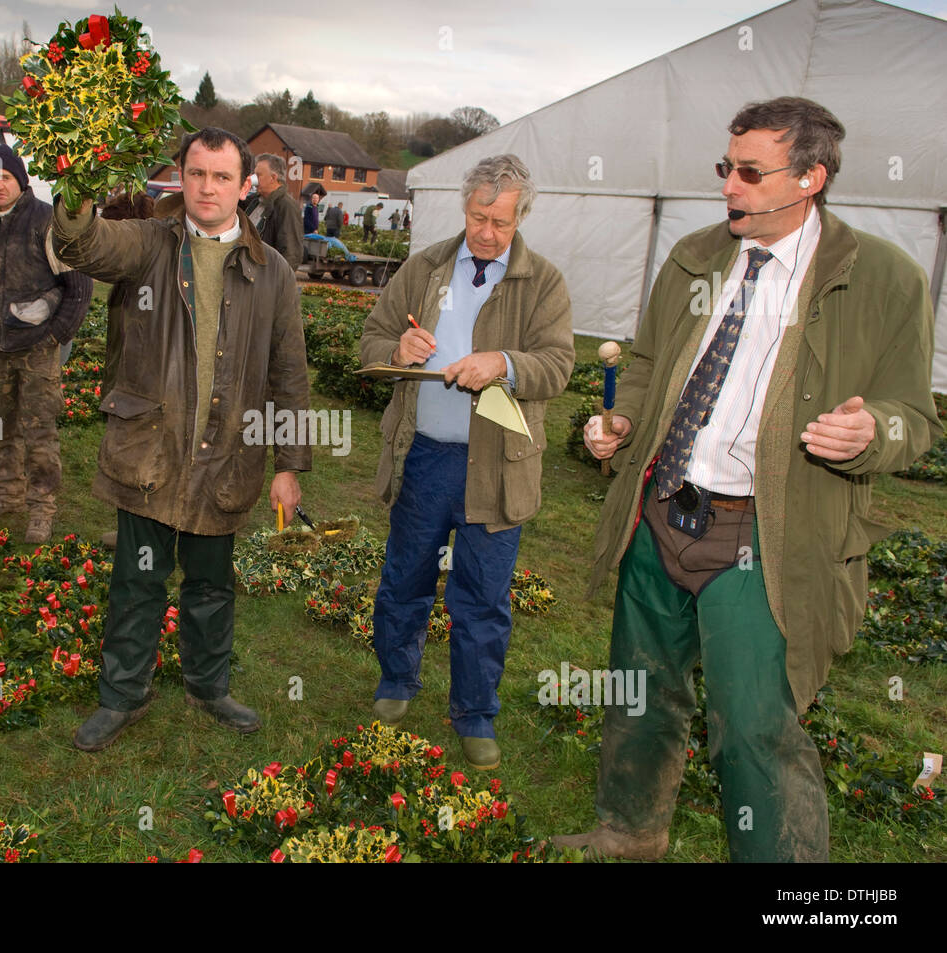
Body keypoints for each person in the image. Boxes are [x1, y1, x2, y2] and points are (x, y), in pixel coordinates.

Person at [555, 97, 941, 863]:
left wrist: (872, 432)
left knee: (755, 722)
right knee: (639, 691)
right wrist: (624, 421)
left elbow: (917, 419)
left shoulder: (882, 280)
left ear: (810, 178)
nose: (729, 186)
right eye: (725, 169)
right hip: (662, 510)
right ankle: (629, 830)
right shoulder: (697, 256)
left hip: (766, 534)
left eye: (750, 173)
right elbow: (643, 364)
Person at [51, 126, 311, 751]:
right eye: (197, 174)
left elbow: (290, 371)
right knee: (136, 581)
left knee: (211, 586)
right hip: (150, 451)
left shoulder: (270, 270)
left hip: (227, 457)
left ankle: (208, 685)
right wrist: (78, 186)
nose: (208, 188)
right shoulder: (148, 245)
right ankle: (122, 695)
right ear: (180, 176)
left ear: (246, 187)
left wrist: (289, 463)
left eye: (223, 177)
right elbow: (85, 244)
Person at [359, 155, 573, 770]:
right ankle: (396, 681)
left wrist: (502, 363)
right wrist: (396, 347)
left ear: (520, 217)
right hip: (424, 457)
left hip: (498, 465)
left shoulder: (544, 282)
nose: (487, 232)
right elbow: (370, 341)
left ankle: (475, 713)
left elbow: (558, 366)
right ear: (464, 207)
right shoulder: (424, 267)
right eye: (479, 217)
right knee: (405, 579)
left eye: (500, 223)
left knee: (482, 596)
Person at [0, 144, 92, 544]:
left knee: (39, 430)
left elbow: (79, 287)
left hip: (37, 348)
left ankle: (41, 507)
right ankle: (8, 493)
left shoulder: (45, 222)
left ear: (22, 180)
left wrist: (56, 335)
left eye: (6, 177)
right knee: (0, 425)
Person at [252, 152, 303, 270]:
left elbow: (291, 253)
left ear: (273, 178)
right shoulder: (256, 201)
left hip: (263, 280)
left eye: (258, 175)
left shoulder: (286, 206)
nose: (254, 179)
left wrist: (275, 285)